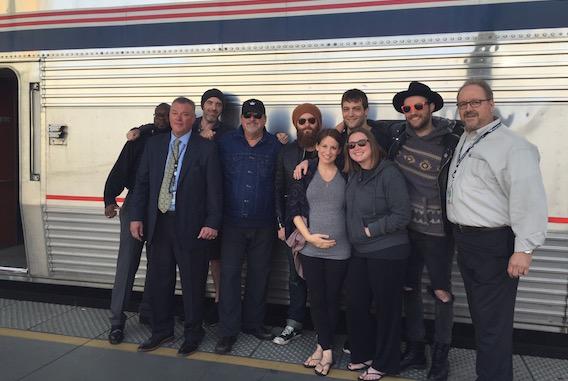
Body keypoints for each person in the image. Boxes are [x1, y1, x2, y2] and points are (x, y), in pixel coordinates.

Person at [447, 79, 547, 380]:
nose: (469, 109)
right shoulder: (468, 138)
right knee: (484, 320)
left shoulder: (513, 147)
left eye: (475, 102)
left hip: (493, 245)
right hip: (468, 243)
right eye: (463, 104)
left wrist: (524, 250)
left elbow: (528, 198)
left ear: (491, 104)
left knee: (492, 324)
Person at [129, 97, 223, 357]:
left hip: (192, 226)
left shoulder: (205, 148)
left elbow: (215, 189)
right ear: (169, 116)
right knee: (159, 281)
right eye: (175, 113)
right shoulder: (154, 144)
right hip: (159, 223)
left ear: (194, 119)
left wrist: (212, 223)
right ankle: (162, 330)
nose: (179, 118)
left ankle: (193, 333)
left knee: (193, 284)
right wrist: (137, 217)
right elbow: (142, 184)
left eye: (185, 114)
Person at [387, 81, 463, 380]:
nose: (413, 112)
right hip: (405, 231)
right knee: (408, 289)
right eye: (407, 108)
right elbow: (359, 128)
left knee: (442, 292)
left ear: (431, 107)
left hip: (438, 234)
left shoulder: (452, 140)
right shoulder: (397, 137)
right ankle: (417, 348)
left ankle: (441, 354)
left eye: (419, 106)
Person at [344, 127, 411, 381]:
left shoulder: (389, 173)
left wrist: (370, 231)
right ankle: (364, 354)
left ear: (372, 144)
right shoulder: (355, 175)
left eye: (362, 143)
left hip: (388, 251)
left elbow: (402, 215)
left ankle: (385, 362)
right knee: (355, 303)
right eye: (351, 145)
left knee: (387, 310)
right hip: (360, 251)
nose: (357, 148)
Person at [215, 99, 282, 354]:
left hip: (264, 224)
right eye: (247, 115)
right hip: (231, 224)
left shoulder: (276, 145)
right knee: (230, 278)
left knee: (259, 275)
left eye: (257, 115)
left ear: (264, 119)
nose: (252, 119)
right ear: (241, 119)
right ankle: (227, 331)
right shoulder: (225, 143)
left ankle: (253, 324)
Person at [103, 102, 170, 345]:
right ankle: (117, 322)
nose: (162, 119)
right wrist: (110, 198)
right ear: (153, 118)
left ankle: (149, 312)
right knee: (127, 263)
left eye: (166, 115)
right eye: (158, 115)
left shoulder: (178, 138)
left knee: (158, 263)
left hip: (161, 206)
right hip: (135, 203)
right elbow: (121, 167)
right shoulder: (140, 137)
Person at [285, 128, 350, 377]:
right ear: (317, 146)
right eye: (324, 146)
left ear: (339, 150)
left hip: (340, 249)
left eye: (334, 147)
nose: (328, 151)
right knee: (317, 298)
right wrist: (310, 237)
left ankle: (324, 349)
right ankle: (323, 346)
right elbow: (294, 207)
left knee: (332, 298)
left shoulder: (347, 172)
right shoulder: (307, 171)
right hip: (311, 249)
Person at [273, 103, 322, 345]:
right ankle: (294, 323)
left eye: (311, 120)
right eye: (301, 121)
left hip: (324, 225)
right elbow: (278, 190)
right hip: (294, 227)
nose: (306, 125)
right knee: (295, 277)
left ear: (318, 124)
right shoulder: (286, 152)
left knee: (323, 278)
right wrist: (281, 224)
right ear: (295, 125)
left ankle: (324, 328)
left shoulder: (328, 149)